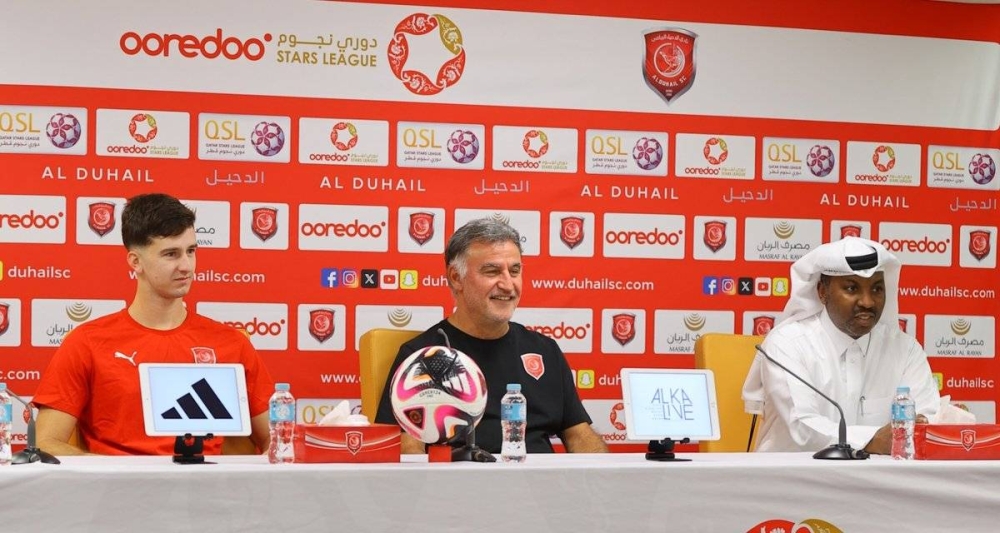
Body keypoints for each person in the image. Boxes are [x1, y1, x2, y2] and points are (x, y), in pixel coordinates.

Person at [34, 193, 274, 455]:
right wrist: (114, 471)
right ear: (135, 262)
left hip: (206, 480)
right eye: (171, 254)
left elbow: (279, 440)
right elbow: (46, 444)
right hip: (118, 480)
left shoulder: (231, 343)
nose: (186, 266)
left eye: (191, 251)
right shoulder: (86, 343)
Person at [375, 218, 608, 454]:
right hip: (463, 476)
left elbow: (579, 435)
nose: (508, 285)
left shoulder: (545, 350)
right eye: (492, 271)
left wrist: (604, 472)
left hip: (541, 476)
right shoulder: (422, 357)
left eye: (514, 271)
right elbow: (408, 451)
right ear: (456, 278)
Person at [742, 237, 940, 454]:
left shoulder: (905, 349)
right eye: (852, 288)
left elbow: (927, 419)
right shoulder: (788, 344)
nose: (867, 302)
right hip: (793, 472)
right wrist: (872, 440)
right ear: (822, 292)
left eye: (876, 289)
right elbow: (802, 427)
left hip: (878, 474)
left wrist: (916, 429)